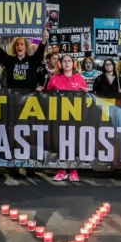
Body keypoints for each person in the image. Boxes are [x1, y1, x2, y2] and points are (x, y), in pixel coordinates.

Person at [47, 54, 88, 182]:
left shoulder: (80, 78)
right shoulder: (54, 78)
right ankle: (62, 170)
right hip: (59, 117)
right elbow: (46, 95)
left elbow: (86, 97)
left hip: (75, 117)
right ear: (60, 64)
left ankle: (74, 170)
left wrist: (86, 92)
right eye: (64, 61)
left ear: (74, 64)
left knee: (74, 143)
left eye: (69, 61)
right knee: (61, 143)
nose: (67, 63)